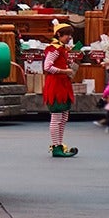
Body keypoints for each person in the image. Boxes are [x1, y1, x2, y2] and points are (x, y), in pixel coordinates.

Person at [42, 21, 79, 158]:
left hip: (63, 84)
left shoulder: (61, 49)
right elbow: (47, 67)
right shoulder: (54, 49)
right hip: (56, 84)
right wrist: (64, 71)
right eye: (67, 35)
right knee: (57, 116)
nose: (69, 37)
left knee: (64, 116)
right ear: (59, 34)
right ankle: (56, 146)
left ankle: (59, 144)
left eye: (70, 35)